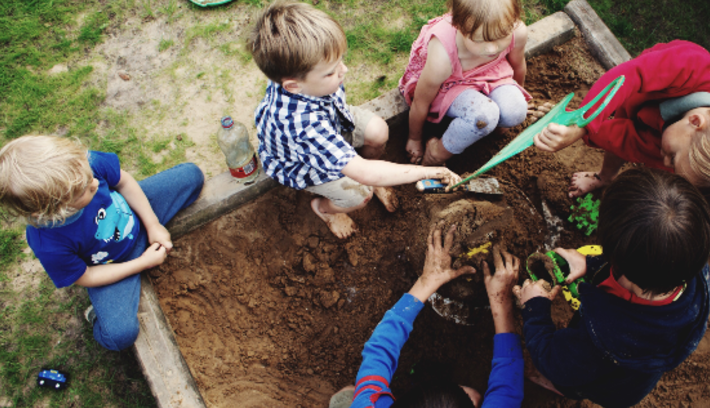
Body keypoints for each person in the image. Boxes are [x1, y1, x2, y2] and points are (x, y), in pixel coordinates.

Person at [248, 1, 461, 239]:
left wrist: (367, 172)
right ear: (293, 86)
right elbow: (359, 171)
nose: (345, 70)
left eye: (340, 60)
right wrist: (426, 173)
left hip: (332, 122)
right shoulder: (301, 125)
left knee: (378, 131)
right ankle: (325, 209)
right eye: (330, 71)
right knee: (359, 195)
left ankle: (371, 175)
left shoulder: (302, 75)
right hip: (305, 163)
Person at [318, 225, 524, 408]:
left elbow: (379, 351)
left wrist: (427, 281)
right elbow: (506, 393)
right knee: (473, 396)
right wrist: (502, 302)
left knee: (346, 395)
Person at [516, 167, 710, 408]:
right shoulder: (690, 265)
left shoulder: (605, 335)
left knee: (565, 379)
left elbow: (556, 361)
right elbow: (648, 261)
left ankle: (559, 388)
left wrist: (535, 308)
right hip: (634, 378)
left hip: (604, 382)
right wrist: (590, 263)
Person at [0, 135, 204, 351]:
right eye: (85, 190)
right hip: (110, 265)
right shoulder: (48, 242)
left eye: (90, 176)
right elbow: (85, 276)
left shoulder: (82, 166)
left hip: (132, 216)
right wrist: (142, 263)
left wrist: (152, 224)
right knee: (119, 336)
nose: (96, 183)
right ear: (57, 211)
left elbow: (123, 182)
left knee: (192, 175)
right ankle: (97, 315)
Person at [530, 40, 710, 201]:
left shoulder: (682, 142)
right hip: (642, 91)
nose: (664, 161)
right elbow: (628, 76)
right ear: (695, 121)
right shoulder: (692, 65)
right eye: (672, 158)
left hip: (662, 125)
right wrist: (580, 124)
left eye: (672, 167)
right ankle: (607, 173)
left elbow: (623, 139)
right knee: (617, 112)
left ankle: (605, 177)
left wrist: (582, 132)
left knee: (624, 145)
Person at [399, 0, 531, 166]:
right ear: (458, 26)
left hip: (492, 74)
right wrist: (414, 137)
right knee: (483, 117)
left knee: (516, 110)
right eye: (479, 40)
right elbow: (421, 100)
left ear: (513, 23)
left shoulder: (517, 32)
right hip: (451, 84)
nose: (491, 49)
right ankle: (437, 153)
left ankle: (492, 128)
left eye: (500, 38)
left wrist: (518, 97)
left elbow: (518, 66)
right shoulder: (443, 55)